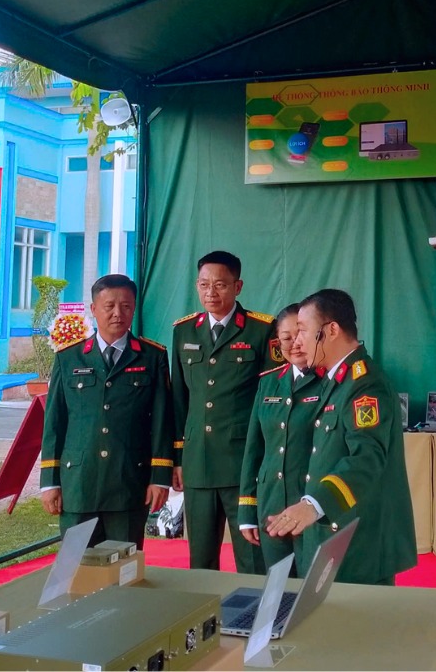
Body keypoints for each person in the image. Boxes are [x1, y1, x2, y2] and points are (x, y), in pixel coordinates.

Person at [265, 288, 417, 585]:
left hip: (360, 542)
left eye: (303, 330)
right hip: (335, 533)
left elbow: (366, 457)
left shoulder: (364, 384)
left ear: (331, 330)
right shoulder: (337, 380)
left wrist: (313, 505)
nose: (297, 342)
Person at [40, 274, 174, 548]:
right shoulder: (69, 357)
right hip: (79, 483)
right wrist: (49, 482)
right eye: (109, 306)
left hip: (129, 482)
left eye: (126, 306)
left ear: (134, 309)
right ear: (93, 309)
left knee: (123, 565)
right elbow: (54, 423)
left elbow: (162, 422)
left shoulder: (153, 357)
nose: (117, 314)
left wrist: (160, 478)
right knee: (76, 565)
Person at [171, 250, 281, 572]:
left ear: (238, 286)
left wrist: (266, 457)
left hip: (242, 462)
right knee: (201, 561)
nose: (211, 292)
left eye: (219, 285)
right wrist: (178, 458)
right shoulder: (184, 331)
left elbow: (271, 399)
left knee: (251, 557)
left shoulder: (262, 330)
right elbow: (179, 398)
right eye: (204, 284)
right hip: (198, 461)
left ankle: (256, 606)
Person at [238, 303, 323, 576]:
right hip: (272, 505)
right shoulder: (268, 382)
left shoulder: (330, 382)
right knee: (278, 586)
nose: (295, 344)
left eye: (300, 335)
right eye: (286, 338)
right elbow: (254, 449)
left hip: (313, 505)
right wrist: (247, 511)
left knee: (312, 588)